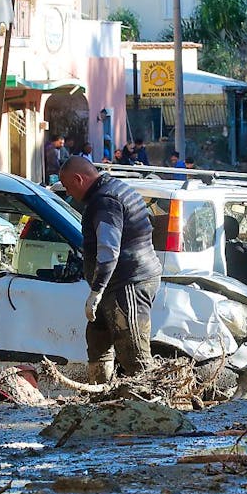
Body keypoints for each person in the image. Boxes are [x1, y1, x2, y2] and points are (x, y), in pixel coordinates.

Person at [58, 156, 163, 384]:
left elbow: (108, 250)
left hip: (129, 283)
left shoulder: (105, 201)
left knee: (133, 352)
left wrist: (96, 291)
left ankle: (149, 406)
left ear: (78, 179)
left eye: (67, 186)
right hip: (121, 281)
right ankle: (102, 397)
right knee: (97, 339)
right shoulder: (112, 190)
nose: (68, 192)